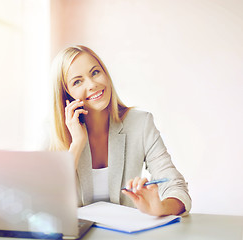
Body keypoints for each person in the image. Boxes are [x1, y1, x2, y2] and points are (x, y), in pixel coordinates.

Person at [49, 45, 191, 216]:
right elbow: (46, 201)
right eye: (77, 81)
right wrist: (77, 144)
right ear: (66, 94)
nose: (93, 84)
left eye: (95, 72)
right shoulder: (52, 133)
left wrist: (160, 208)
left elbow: (176, 185)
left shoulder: (140, 124)